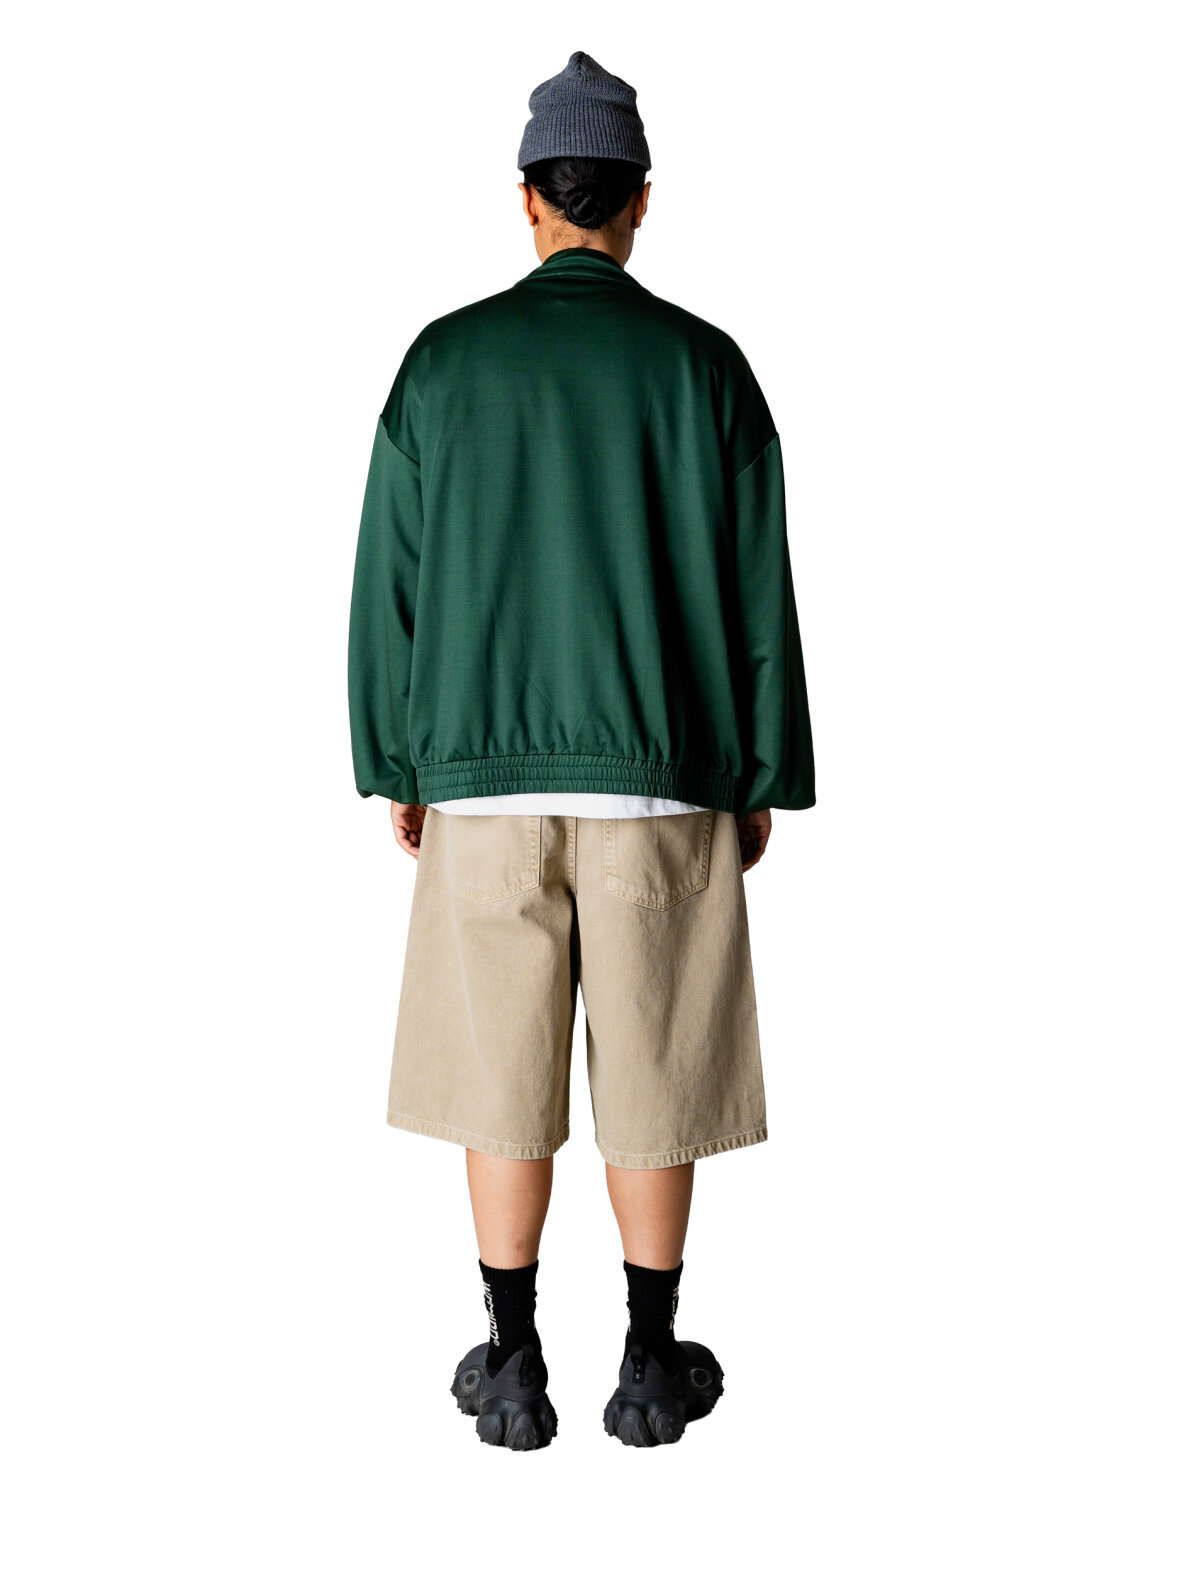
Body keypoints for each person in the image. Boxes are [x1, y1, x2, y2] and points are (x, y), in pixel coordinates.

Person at [347, 51, 815, 1451]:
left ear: (528, 200)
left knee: (498, 1078)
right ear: (640, 200)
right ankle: (651, 1360)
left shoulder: (442, 363)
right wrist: (761, 775)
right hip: (663, 778)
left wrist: (399, 760)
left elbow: (389, 584)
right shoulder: (705, 368)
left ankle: (512, 1357)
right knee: (659, 1070)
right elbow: (759, 590)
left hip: (483, 782)